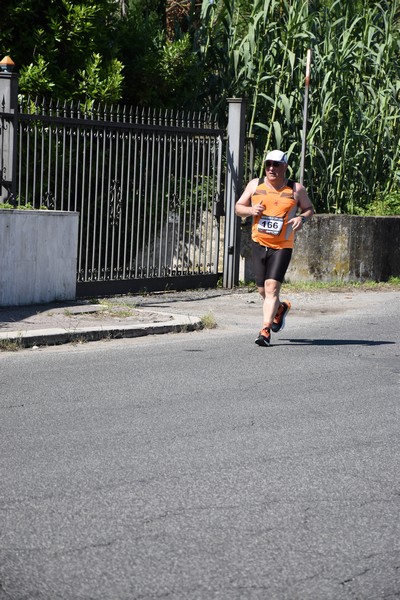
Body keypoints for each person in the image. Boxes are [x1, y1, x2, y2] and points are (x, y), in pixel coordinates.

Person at [235, 149, 314, 346]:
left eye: (276, 164)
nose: (271, 168)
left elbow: (309, 209)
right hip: (259, 242)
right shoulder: (256, 184)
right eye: (268, 164)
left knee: (272, 288)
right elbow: (238, 208)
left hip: (282, 246)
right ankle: (280, 309)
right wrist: (251, 210)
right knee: (262, 290)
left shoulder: (296, 189)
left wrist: (301, 218)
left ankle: (265, 331)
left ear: (285, 167)